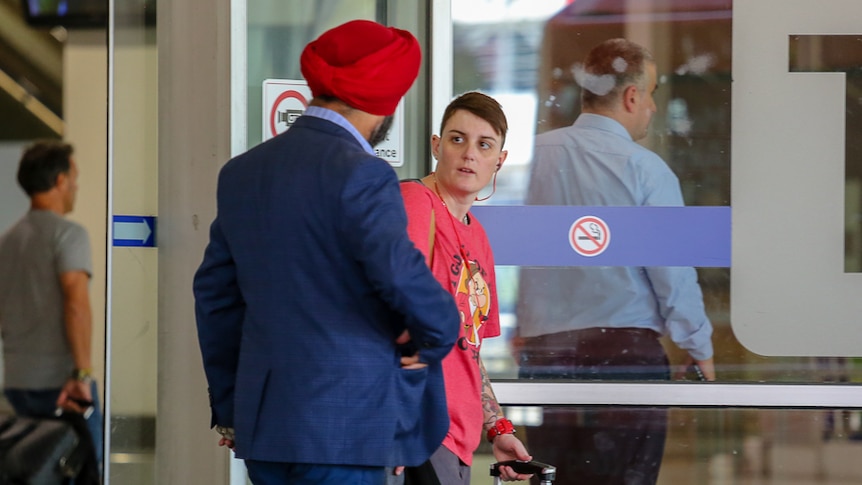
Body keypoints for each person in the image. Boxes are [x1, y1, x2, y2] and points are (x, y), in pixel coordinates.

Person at [193, 20, 461, 485]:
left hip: (266, 426)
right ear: (385, 108)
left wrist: (232, 406)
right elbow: (399, 276)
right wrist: (437, 333)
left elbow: (215, 298)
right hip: (345, 426)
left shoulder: (242, 173)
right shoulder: (364, 173)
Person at [515, 38, 716, 485]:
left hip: (546, 356)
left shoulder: (534, 158)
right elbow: (672, 273)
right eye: (653, 93)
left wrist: (521, 328)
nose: (653, 107)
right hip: (623, 359)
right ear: (631, 97)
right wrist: (698, 345)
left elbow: (520, 250)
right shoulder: (646, 170)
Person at [398, 92, 532, 485]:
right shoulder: (415, 203)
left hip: (458, 434)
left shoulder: (479, 238)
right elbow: (387, 319)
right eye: (457, 139)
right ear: (437, 146)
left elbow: (469, 350)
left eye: (484, 144)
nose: (469, 154)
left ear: (500, 160)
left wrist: (498, 429)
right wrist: (396, 428)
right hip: (418, 426)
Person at [0, 140, 103, 481]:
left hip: (17, 382)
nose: (76, 185)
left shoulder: (8, 240)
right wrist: (83, 374)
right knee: (79, 472)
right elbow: (76, 305)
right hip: (62, 387)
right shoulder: (69, 234)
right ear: (60, 180)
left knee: (29, 474)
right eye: (74, 177)